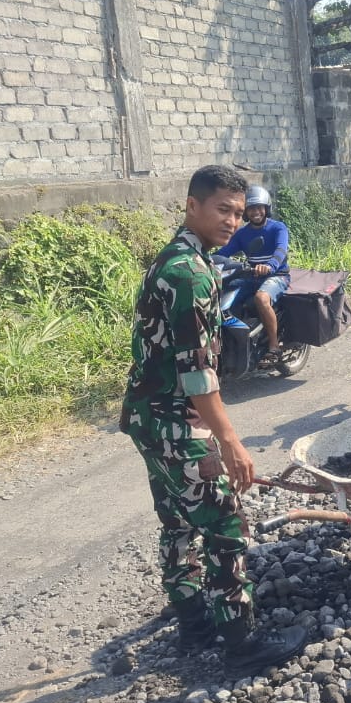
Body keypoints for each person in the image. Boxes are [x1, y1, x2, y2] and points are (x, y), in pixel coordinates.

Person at [120, 165, 306, 676]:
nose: (232, 221)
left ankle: (193, 622)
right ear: (192, 205)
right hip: (177, 423)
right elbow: (198, 374)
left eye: (239, 212)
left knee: (177, 521)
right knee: (226, 526)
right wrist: (229, 440)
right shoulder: (190, 272)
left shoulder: (184, 258)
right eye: (222, 209)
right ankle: (241, 642)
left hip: (148, 418)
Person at [216, 185, 289, 358]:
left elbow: (281, 250)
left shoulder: (278, 228)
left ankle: (273, 345)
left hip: (277, 276)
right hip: (252, 276)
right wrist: (205, 260)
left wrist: (270, 265)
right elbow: (224, 252)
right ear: (246, 212)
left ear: (266, 208)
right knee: (224, 294)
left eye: (259, 207)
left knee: (261, 299)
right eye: (251, 209)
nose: (255, 212)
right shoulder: (242, 234)